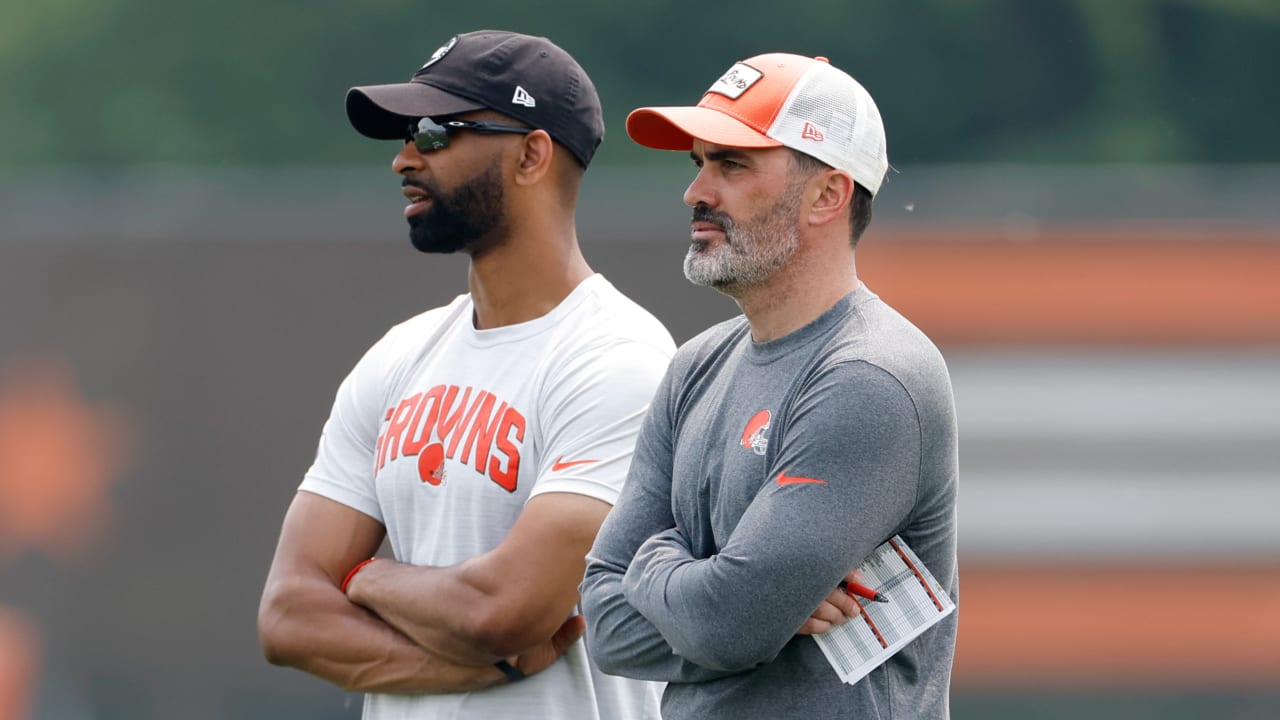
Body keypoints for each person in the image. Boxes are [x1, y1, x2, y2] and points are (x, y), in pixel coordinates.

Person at [257, 29, 672, 719]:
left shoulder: (618, 358)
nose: (403, 159)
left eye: (434, 132)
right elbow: (287, 616)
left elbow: (505, 611)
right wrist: (476, 675)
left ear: (533, 155)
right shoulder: (401, 355)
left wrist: (366, 574)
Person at [579, 52, 959, 718]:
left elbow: (728, 624)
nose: (696, 192)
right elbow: (605, 623)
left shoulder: (869, 375)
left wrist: (663, 567)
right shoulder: (693, 369)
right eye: (697, 164)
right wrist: (740, 605)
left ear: (827, 196)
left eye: (732, 164)